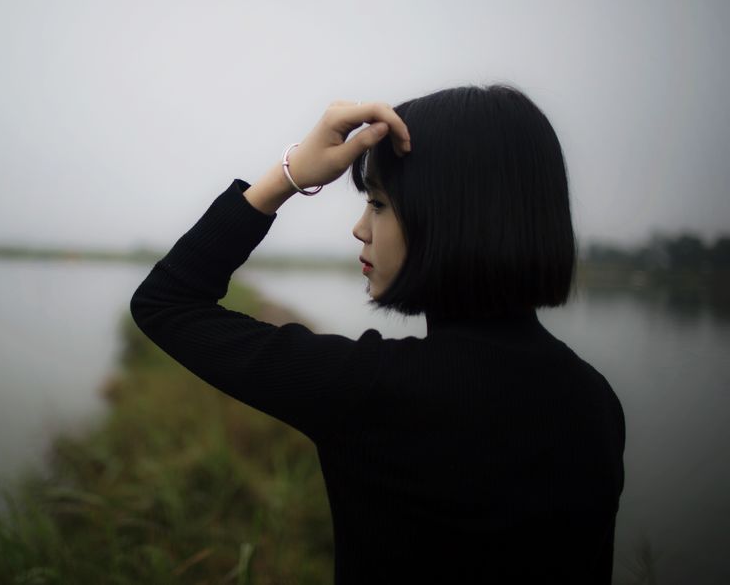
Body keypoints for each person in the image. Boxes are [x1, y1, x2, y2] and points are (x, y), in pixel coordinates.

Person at [129, 84, 626, 584]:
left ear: (451, 216)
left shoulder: (369, 390)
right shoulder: (596, 402)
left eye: (379, 203)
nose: (360, 228)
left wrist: (290, 175)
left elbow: (167, 301)